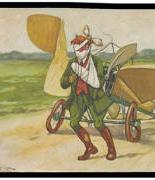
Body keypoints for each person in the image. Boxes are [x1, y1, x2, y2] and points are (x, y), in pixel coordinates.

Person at [61, 26, 116, 161]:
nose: (78, 52)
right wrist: (69, 79)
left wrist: (88, 78)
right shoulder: (72, 63)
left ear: (87, 48)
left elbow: (100, 81)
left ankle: (111, 149)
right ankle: (89, 147)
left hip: (94, 97)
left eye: (81, 49)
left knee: (98, 124)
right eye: (76, 50)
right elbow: (63, 82)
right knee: (74, 123)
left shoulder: (96, 61)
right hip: (78, 97)